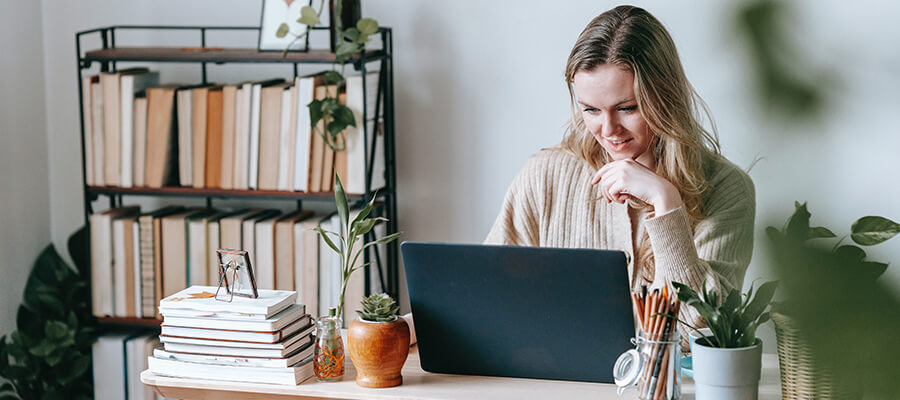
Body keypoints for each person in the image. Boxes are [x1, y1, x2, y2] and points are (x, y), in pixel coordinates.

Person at [485, 5, 755, 348]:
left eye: (627, 108)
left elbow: (701, 337)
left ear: (664, 98)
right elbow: (487, 292)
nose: (608, 130)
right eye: (591, 110)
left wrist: (666, 203)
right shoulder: (545, 176)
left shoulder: (728, 189)